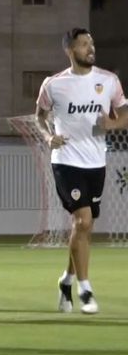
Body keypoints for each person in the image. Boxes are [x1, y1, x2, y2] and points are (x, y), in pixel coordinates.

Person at [35, 28, 127, 314]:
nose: (90, 48)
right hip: (65, 161)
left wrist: (112, 125)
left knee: (85, 228)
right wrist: (48, 136)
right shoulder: (53, 84)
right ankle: (85, 289)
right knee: (82, 220)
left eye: (92, 43)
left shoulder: (108, 81)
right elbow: (39, 116)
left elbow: (123, 112)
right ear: (70, 50)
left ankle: (66, 279)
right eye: (84, 44)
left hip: (95, 162)